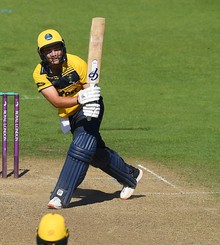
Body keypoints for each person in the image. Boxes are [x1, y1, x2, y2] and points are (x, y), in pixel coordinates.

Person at [33, 29, 143, 209]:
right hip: (72, 110)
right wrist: (78, 99)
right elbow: (55, 100)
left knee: (80, 147)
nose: (54, 54)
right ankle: (129, 174)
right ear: (42, 53)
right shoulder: (40, 73)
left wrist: (89, 101)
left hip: (90, 106)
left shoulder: (76, 63)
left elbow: (90, 88)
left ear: (63, 47)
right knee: (93, 152)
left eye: (57, 48)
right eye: (48, 50)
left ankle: (61, 194)